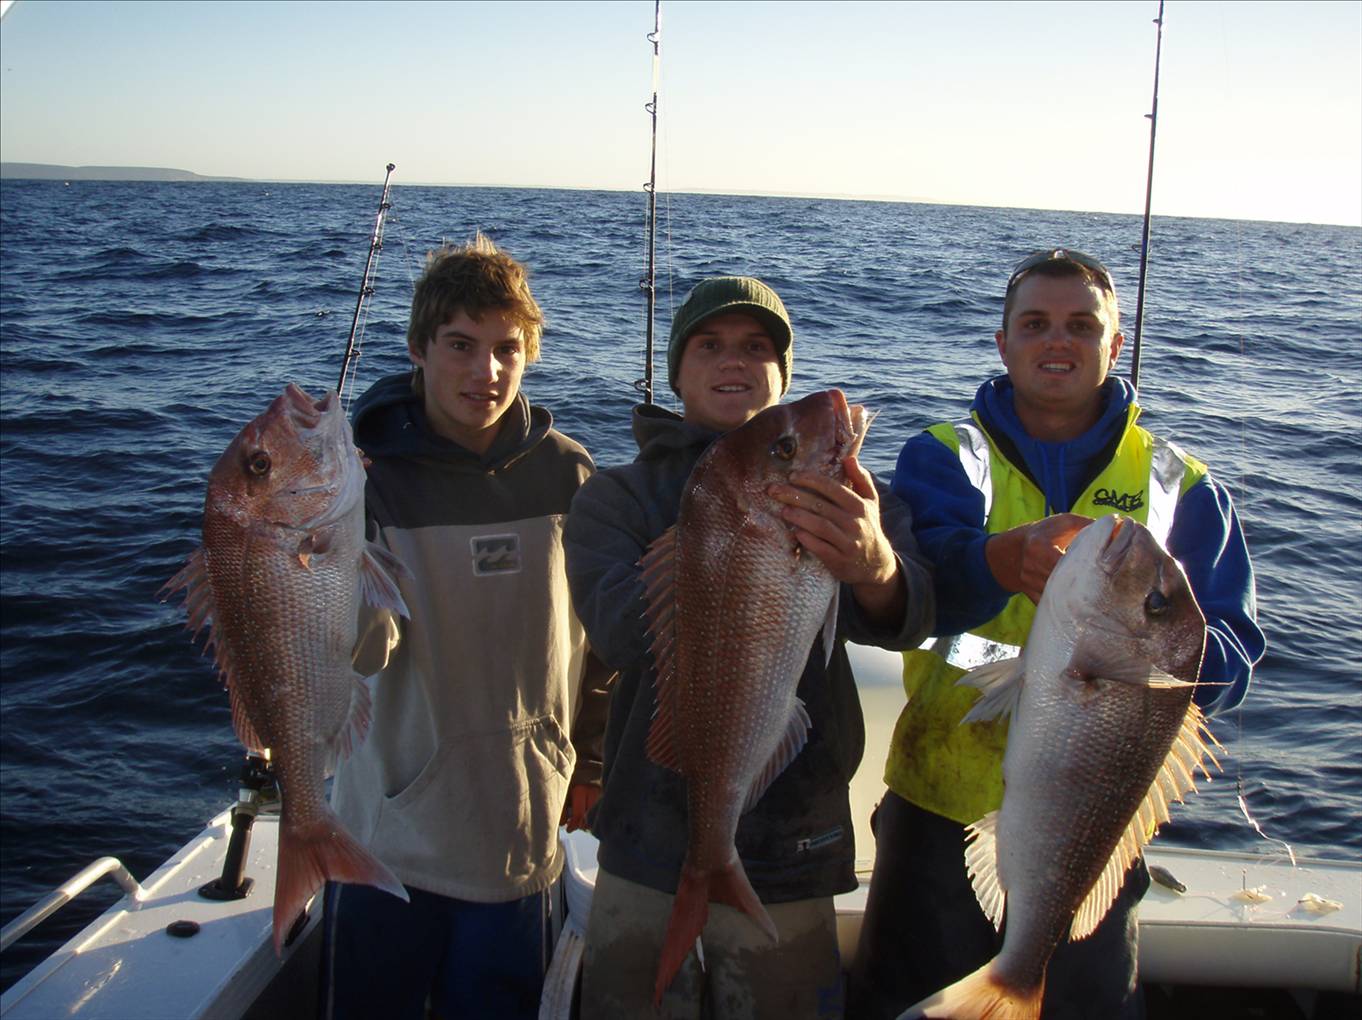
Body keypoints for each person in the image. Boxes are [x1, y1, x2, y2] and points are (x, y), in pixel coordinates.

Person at [849, 248, 1266, 1019]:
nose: (1057, 341)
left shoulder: (1184, 484)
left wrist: (1148, 657)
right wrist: (1000, 562)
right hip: (938, 805)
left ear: (1116, 345)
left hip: (1097, 831)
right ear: (1003, 343)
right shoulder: (945, 454)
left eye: (1082, 326)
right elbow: (916, 586)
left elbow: (1232, 654)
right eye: (1035, 323)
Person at [563, 276, 936, 1019]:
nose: (733, 360)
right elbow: (618, 634)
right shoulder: (617, 496)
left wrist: (875, 567)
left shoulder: (852, 496)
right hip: (644, 838)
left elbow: (908, 621)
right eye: (709, 345)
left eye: (757, 347)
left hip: (797, 842)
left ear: (781, 374)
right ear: (677, 372)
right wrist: (723, 554)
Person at [321, 233, 613, 1020]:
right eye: (460, 345)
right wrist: (325, 540)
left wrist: (588, 761)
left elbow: (601, 645)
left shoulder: (572, 473)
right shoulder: (361, 477)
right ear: (418, 349)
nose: (485, 371)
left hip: (521, 835)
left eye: (506, 349)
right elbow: (357, 650)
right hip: (384, 839)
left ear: (530, 355)